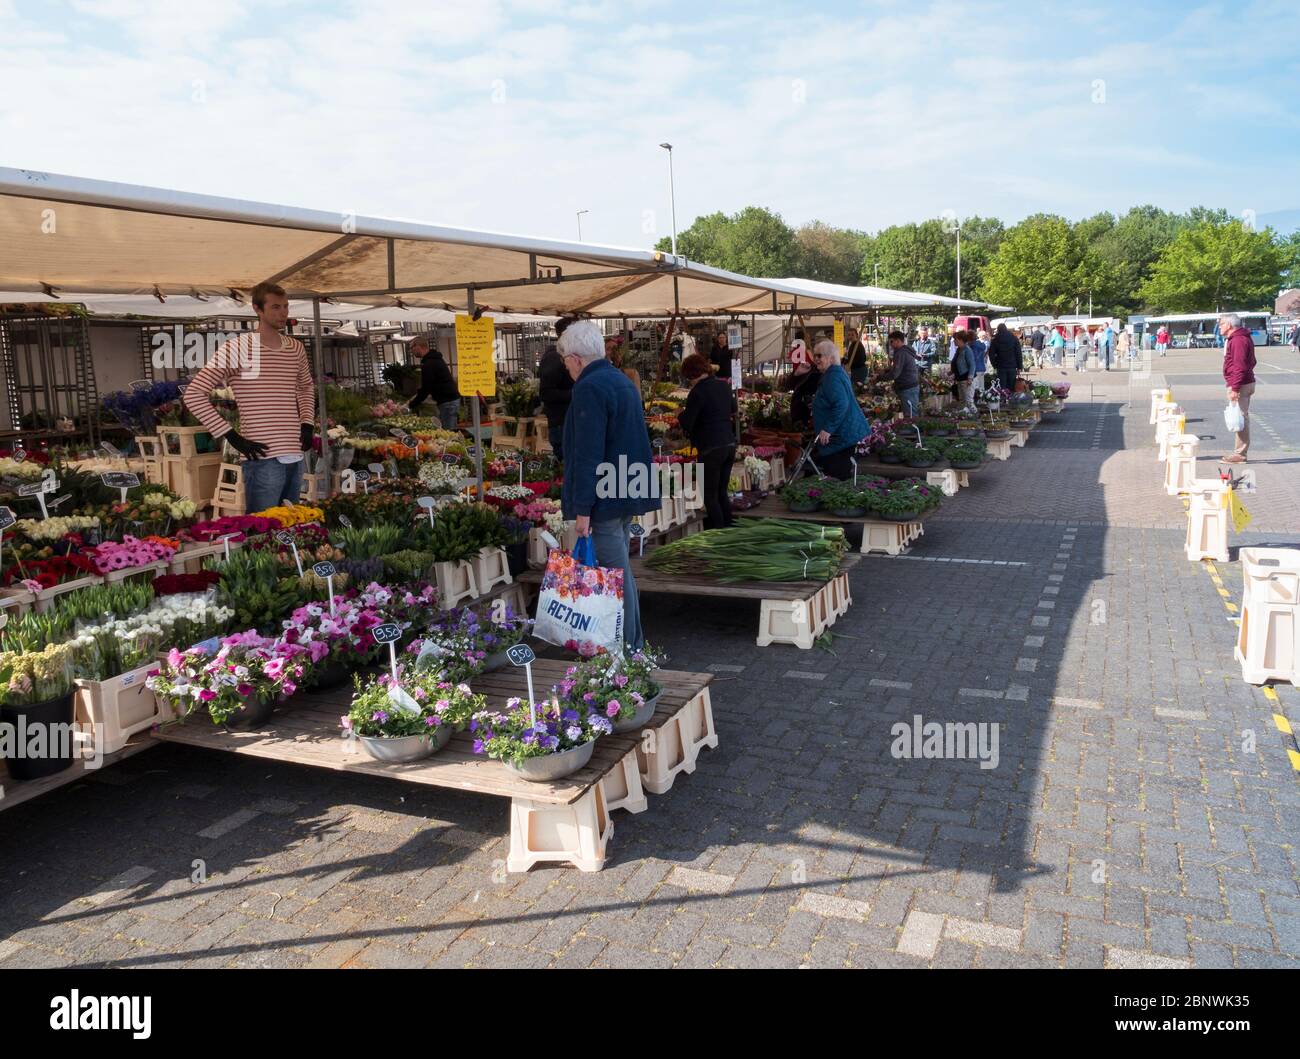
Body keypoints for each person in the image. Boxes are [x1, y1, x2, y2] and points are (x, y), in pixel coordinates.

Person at [558, 320, 657, 650]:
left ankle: (628, 651)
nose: (566, 368)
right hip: (624, 489)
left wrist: (582, 508)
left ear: (575, 358)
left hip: (604, 497)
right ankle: (633, 643)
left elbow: (588, 453)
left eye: (565, 361)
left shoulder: (589, 387)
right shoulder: (619, 380)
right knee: (621, 572)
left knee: (615, 577)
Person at [185, 281, 315, 512]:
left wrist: (307, 423)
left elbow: (305, 387)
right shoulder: (237, 348)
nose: (283, 313)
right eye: (275, 307)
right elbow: (194, 394)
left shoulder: (295, 348)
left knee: (292, 526)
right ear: (257, 309)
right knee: (263, 529)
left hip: (294, 453)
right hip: (262, 455)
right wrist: (232, 437)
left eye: (286, 306)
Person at [678, 353, 735, 530]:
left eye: (689, 378)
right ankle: (730, 530)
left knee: (710, 496)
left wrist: (679, 413)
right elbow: (733, 408)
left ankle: (718, 534)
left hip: (710, 447)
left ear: (692, 374)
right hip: (729, 444)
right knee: (721, 493)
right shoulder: (722, 385)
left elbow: (688, 422)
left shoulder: (698, 392)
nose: (689, 382)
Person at [809, 339, 870, 479]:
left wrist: (828, 429)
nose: (816, 359)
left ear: (831, 358)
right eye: (815, 356)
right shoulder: (836, 372)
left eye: (819, 356)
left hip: (840, 436)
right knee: (840, 472)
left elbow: (841, 404)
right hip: (843, 434)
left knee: (837, 475)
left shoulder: (832, 377)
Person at [1219, 313, 1257, 465]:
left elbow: (1239, 366)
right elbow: (1252, 361)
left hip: (1241, 384)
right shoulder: (1239, 338)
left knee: (1240, 418)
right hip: (1242, 382)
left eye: (1221, 323)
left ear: (1229, 325)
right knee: (1240, 416)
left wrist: (1235, 387)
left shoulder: (1238, 340)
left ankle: (1240, 454)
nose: (1219, 326)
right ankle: (1239, 452)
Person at [538, 316, 576, 460]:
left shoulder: (569, 355)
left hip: (570, 421)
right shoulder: (554, 358)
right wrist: (575, 393)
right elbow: (545, 393)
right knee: (567, 465)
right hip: (562, 423)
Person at [406, 333, 460, 429]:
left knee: (449, 432)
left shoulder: (429, 364)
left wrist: (411, 404)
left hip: (448, 402)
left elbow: (426, 389)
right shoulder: (434, 359)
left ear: (418, 346)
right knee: (448, 430)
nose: (412, 351)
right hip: (449, 400)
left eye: (412, 348)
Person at [883, 330, 921, 417]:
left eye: (892, 342)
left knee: (910, 415)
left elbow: (895, 373)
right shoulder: (903, 351)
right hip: (909, 386)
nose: (891, 345)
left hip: (908, 388)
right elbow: (899, 369)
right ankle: (913, 429)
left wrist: (880, 377)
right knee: (910, 413)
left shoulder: (901, 353)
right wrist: (887, 371)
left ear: (898, 341)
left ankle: (914, 430)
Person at [784, 354, 822, 428]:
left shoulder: (820, 373)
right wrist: (796, 373)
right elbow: (788, 386)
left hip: (809, 418)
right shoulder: (805, 367)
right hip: (798, 414)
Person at [988, 323, 1022, 393]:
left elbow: (991, 354)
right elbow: (1018, 353)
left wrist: (994, 365)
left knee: (1002, 386)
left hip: (1000, 365)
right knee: (1012, 385)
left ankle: (1003, 400)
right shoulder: (1014, 338)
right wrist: (1019, 366)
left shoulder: (995, 339)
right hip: (1012, 365)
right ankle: (1012, 400)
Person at [950, 330, 976, 408]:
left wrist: (970, 378)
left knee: (968, 400)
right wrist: (951, 371)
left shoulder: (967, 350)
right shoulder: (959, 349)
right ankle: (964, 416)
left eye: (955, 339)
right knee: (962, 400)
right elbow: (957, 363)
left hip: (966, 379)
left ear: (961, 340)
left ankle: (974, 415)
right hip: (960, 378)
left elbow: (972, 365)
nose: (954, 341)